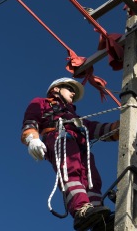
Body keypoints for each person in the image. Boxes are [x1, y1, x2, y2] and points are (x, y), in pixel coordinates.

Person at [20, 77, 119, 231]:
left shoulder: (74, 117)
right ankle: (81, 209)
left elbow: (93, 128)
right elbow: (31, 120)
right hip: (59, 137)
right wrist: (32, 139)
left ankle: (99, 217)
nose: (73, 93)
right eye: (69, 88)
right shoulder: (43, 103)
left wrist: (118, 128)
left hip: (81, 145)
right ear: (56, 89)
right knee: (71, 171)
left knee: (92, 178)